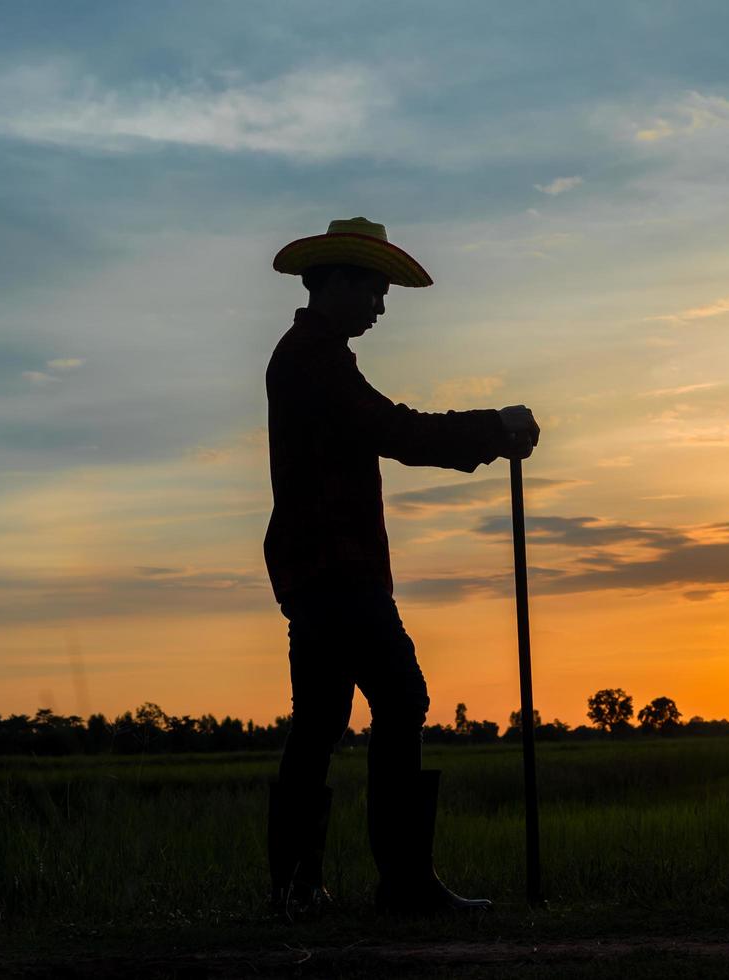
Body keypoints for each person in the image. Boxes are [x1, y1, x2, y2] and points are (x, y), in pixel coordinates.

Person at [263, 217, 539, 919]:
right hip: (336, 567)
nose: (382, 307)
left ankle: (299, 890)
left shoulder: (313, 356)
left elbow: (387, 432)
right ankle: (404, 885)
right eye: (376, 292)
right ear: (342, 283)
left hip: (316, 567)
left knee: (321, 720)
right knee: (401, 696)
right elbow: (397, 432)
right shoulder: (312, 360)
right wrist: (491, 428)